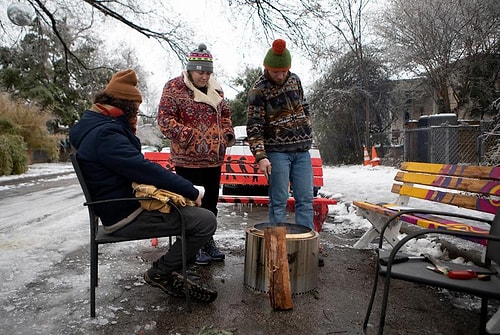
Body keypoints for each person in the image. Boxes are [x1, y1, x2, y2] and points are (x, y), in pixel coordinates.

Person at [69, 69, 218, 303]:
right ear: (126, 106)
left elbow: (134, 166)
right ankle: (162, 272)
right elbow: (142, 168)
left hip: (117, 205)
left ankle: (175, 268)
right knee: (205, 220)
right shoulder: (106, 134)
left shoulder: (94, 126)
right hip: (124, 214)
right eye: (135, 109)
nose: (137, 114)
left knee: (190, 211)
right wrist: (189, 189)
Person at [157, 44, 235, 265]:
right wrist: (191, 137)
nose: (205, 76)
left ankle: (206, 240)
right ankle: (190, 245)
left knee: (210, 204)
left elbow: (226, 115)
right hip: (187, 160)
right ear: (190, 69)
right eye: (201, 72)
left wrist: (226, 135)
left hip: (213, 160)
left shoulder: (217, 89)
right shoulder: (173, 87)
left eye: (208, 72)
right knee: (189, 204)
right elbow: (164, 120)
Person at [246, 39, 315, 231]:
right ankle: (276, 244)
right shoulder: (258, 90)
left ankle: (304, 243)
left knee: (306, 200)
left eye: (284, 71)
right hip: (277, 152)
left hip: (302, 151)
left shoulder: (295, 80)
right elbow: (254, 126)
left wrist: (306, 125)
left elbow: (304, 105)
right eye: (276, 71)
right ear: (267, 68)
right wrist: (260, 156)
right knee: (278, 201)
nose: (280, 75)